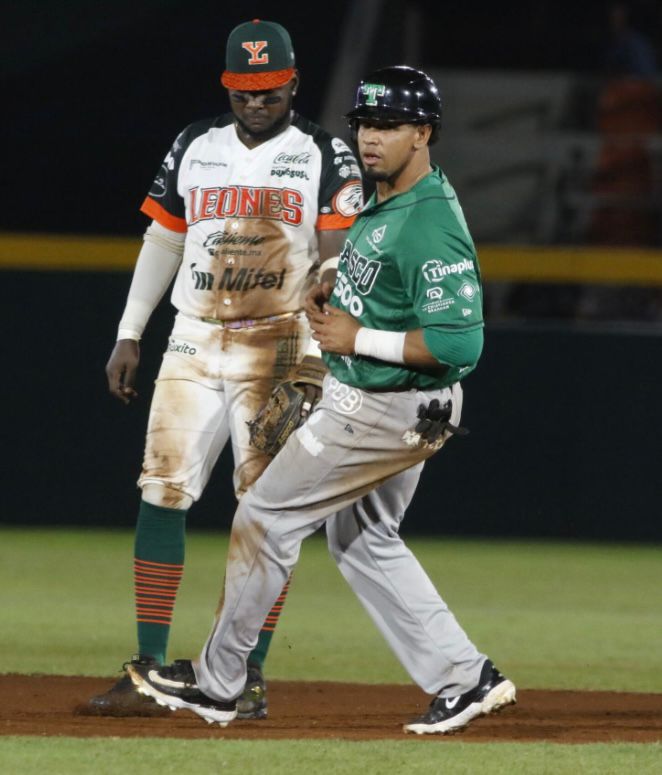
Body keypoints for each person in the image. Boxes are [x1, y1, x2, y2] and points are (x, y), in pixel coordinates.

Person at [128, 65, 517, 735]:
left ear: (423, 133)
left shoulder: (428, 221)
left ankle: (220, 684)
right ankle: (466, 677)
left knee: (265, 515)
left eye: (389, 125)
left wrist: (358, 336)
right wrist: (340, 289)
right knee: (363, 539)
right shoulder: (392, 198)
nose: (371, 138)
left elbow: (460, 343)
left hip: (384, 406)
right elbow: (383, 280)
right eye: (364, 124)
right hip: (393, 403)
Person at [85, 19, 363, 718]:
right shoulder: (195, 143)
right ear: (227, 86)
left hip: (280, 338)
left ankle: (246, 673)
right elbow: (164, 237)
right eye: (244, 91)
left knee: (268, 509)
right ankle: (149, 668)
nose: (256, 103)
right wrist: (129, 331)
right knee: (162, 489)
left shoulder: (325, 152)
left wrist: (320, 351)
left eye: (269, 90)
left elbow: (337, 253)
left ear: (293, 83)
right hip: (193, 333)